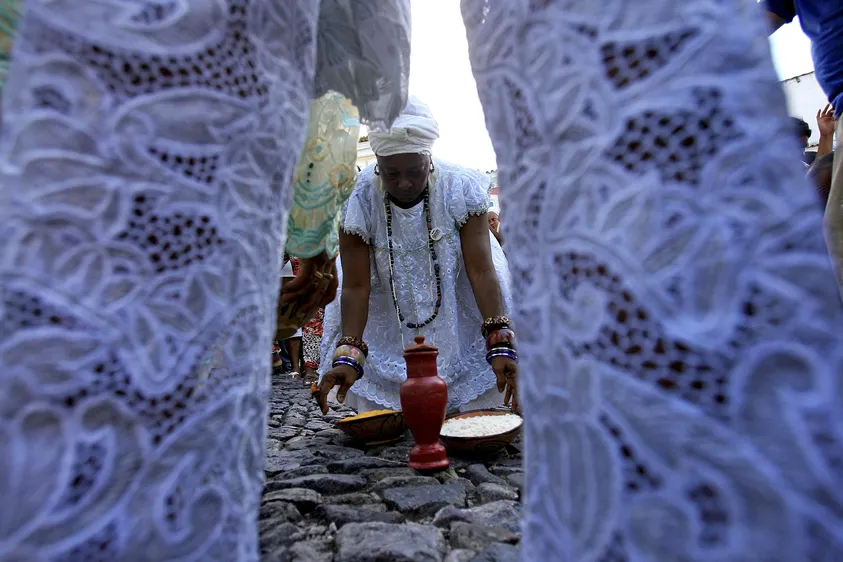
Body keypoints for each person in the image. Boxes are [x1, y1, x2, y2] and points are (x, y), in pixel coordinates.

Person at [315, 97, 519, 415]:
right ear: (377, 161)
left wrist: (499, 338)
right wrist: (350, 352)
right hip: (386, 317)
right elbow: (355, 286)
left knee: (472, 417)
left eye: (415, 170)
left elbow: (480, 270)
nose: (405, 183)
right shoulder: (357, 196)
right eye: (391, 174)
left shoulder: (460, 187)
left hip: (459, 312)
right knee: (394, 421)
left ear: (429, 156)